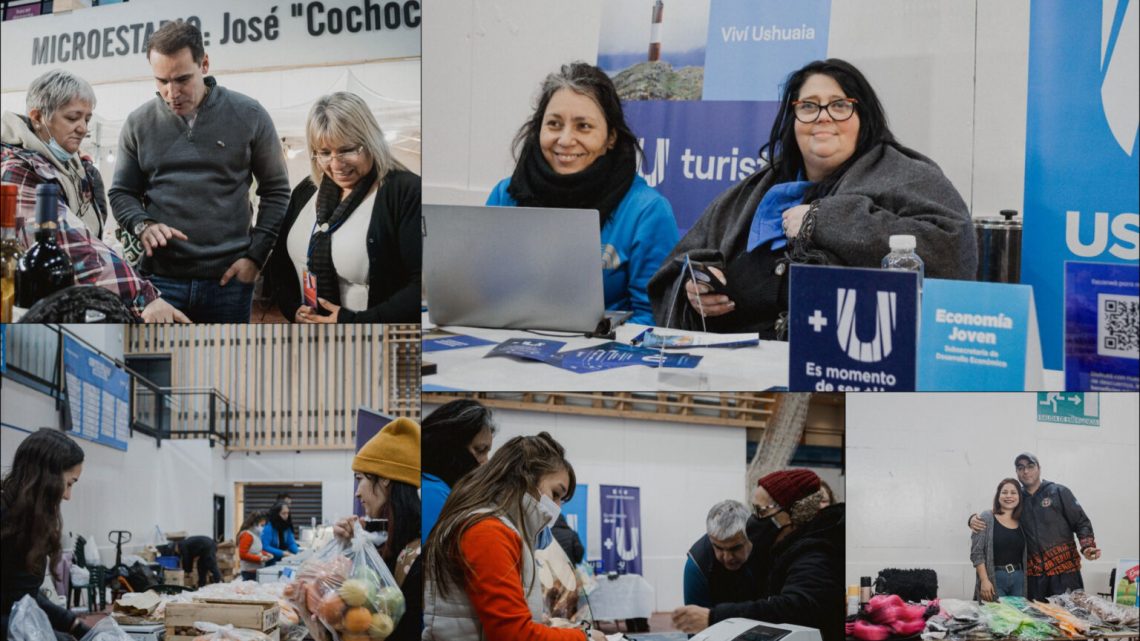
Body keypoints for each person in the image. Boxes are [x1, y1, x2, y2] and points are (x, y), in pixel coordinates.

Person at [649, 58, 976, 337]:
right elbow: (676, 270)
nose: (823, 116)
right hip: (738, 371)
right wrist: (694, 291)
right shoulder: (751, 193)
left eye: (839, 105)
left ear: (864, 118)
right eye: (808, 106)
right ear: (793, 121)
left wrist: (825, 220)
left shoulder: (906, 175)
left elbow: (952, 249)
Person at [109, 20, 291, 322]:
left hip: (228, 282)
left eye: (182, 79)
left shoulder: (249, 114)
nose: (171, 92)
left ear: (204, 64)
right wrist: (142, 225)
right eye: (161, 81)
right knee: (157, 366)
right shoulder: (138, 123)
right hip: (160, 281)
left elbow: (276, 190)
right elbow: (121, 193)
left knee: (224, 368)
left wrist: (256, 258)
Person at [486, 62, 678, 326]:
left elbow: (654, 317)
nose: (565, 140)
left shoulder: (646, 211)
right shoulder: (505, 195)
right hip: (507, 348)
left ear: (610, 137)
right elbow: (483, 292)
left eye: (583, 126)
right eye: (554, 124)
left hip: (601, 358)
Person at [1, 70, 188, 322]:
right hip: (32, 310)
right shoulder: (17, 171)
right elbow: (69, 243)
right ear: (37, 117)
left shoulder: (75, 168)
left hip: (68, 305)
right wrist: (142, 296)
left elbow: (89, 234)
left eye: (87, 119)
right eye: (72, 118)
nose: (82, 128)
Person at [422, 432, 607, 641]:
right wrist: (584, 638)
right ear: (525, 478)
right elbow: (513, 634)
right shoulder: (487, 531)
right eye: (555, 494)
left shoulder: (496, 528)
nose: (557, 508)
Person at [267, 92, 421, 323]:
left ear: (371, 141)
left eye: (348, 150)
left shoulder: (404, 192)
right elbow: (280, 266)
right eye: (325, 153)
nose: (337, 164)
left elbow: (420, 285)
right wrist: (293, 309)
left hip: (376, 342)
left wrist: (354, 322)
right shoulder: (306, 191)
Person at [672, 469, 844, 641]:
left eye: (761, 511)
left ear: (793, 513)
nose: (755, 519)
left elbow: (791, 608)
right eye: (754, 510)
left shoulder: (816, 554)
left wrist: (715, 617)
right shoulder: (699, 564)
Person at [333, 417, 422, 641]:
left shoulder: (418, 556)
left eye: (360, 478)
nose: (357, 492)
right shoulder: (386, 540)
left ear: (384, 479)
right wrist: (347, 547)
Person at [968, 453, 1099, 600]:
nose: (1026, 471)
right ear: (1017, 472)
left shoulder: (1059, 492)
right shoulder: (1018, 500)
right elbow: (998, 517)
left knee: (1070, 619)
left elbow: (1081, 522)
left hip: (1066, 573)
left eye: (1030, 466)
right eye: (1021, 468)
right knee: (1038, 621)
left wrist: (1087, 546)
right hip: (1034, 579)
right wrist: (973, 519)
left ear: (1039, 468)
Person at [0, 429, 89, 641]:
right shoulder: (5, 519)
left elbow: (22, 596)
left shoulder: (24, 520)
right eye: (68, 484)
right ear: (46, 476)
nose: (67, 496)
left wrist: (73, 624)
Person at [421, 399, 496, 538]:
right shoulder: (433, 493)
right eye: (480, 450)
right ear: (451, 447)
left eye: (487, 452)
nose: (486, 462)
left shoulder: (448, 490)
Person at [683, 500, 766, 609]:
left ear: (751, 535)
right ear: (711, 538)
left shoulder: (768, 548)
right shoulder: (697, 565)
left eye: (735, 548)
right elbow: (696, 621)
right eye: (718, 547)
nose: (727, 557)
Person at [970, 478, 1026, 601]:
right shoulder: (987, 517)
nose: (1009, 496)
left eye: (1013, 492)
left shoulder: (1023, 521)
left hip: (1019, 578)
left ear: (1019, 497)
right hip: (994, 577)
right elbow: (976, 553)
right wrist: (984, 580)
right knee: (996, 618)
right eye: (1004, 492)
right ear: (998, 496)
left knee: (1017, 618)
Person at [237, 511, 273, 581]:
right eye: (262, 525)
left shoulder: (256, 535)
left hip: (257, 570)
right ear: (254, 524)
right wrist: (260, 559)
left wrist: (266, 554)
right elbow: (243, 555)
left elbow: (256, 550)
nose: (263, 528)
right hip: (249, 573)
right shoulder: (247, 535)